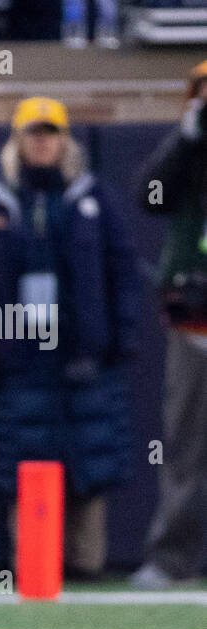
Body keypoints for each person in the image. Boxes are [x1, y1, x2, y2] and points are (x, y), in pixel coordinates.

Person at [0, 96, 142, 579]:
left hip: (85, 353)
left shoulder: (92, 198)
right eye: (33, 133)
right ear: (17, 140)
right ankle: (34, 565)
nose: (42, 141)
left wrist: (119, 339)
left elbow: (121, 272)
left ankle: (87, 565)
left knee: (90, 456)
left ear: (65, 140)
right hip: (21, 353)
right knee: (26, 457)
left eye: (50, 132)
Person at [131, 61, 207, 589]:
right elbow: (149, 193)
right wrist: (189, 138)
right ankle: (172, 558)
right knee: (185, 445)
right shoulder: (189, 151)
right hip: (196, 320)